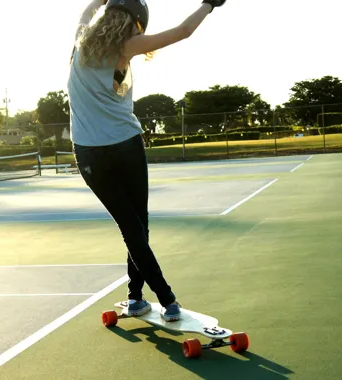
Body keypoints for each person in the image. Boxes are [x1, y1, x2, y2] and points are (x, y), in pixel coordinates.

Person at [67, 0, 226, 321]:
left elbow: (89, 8)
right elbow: (183, 31)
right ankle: (167, 299)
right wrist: (209, 4)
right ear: (135, 24)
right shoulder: (127, 45)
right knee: (137, 224)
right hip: (126, 145)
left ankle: (136, 297)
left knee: (132, 226)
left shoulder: (80, 37)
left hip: (87, 152)